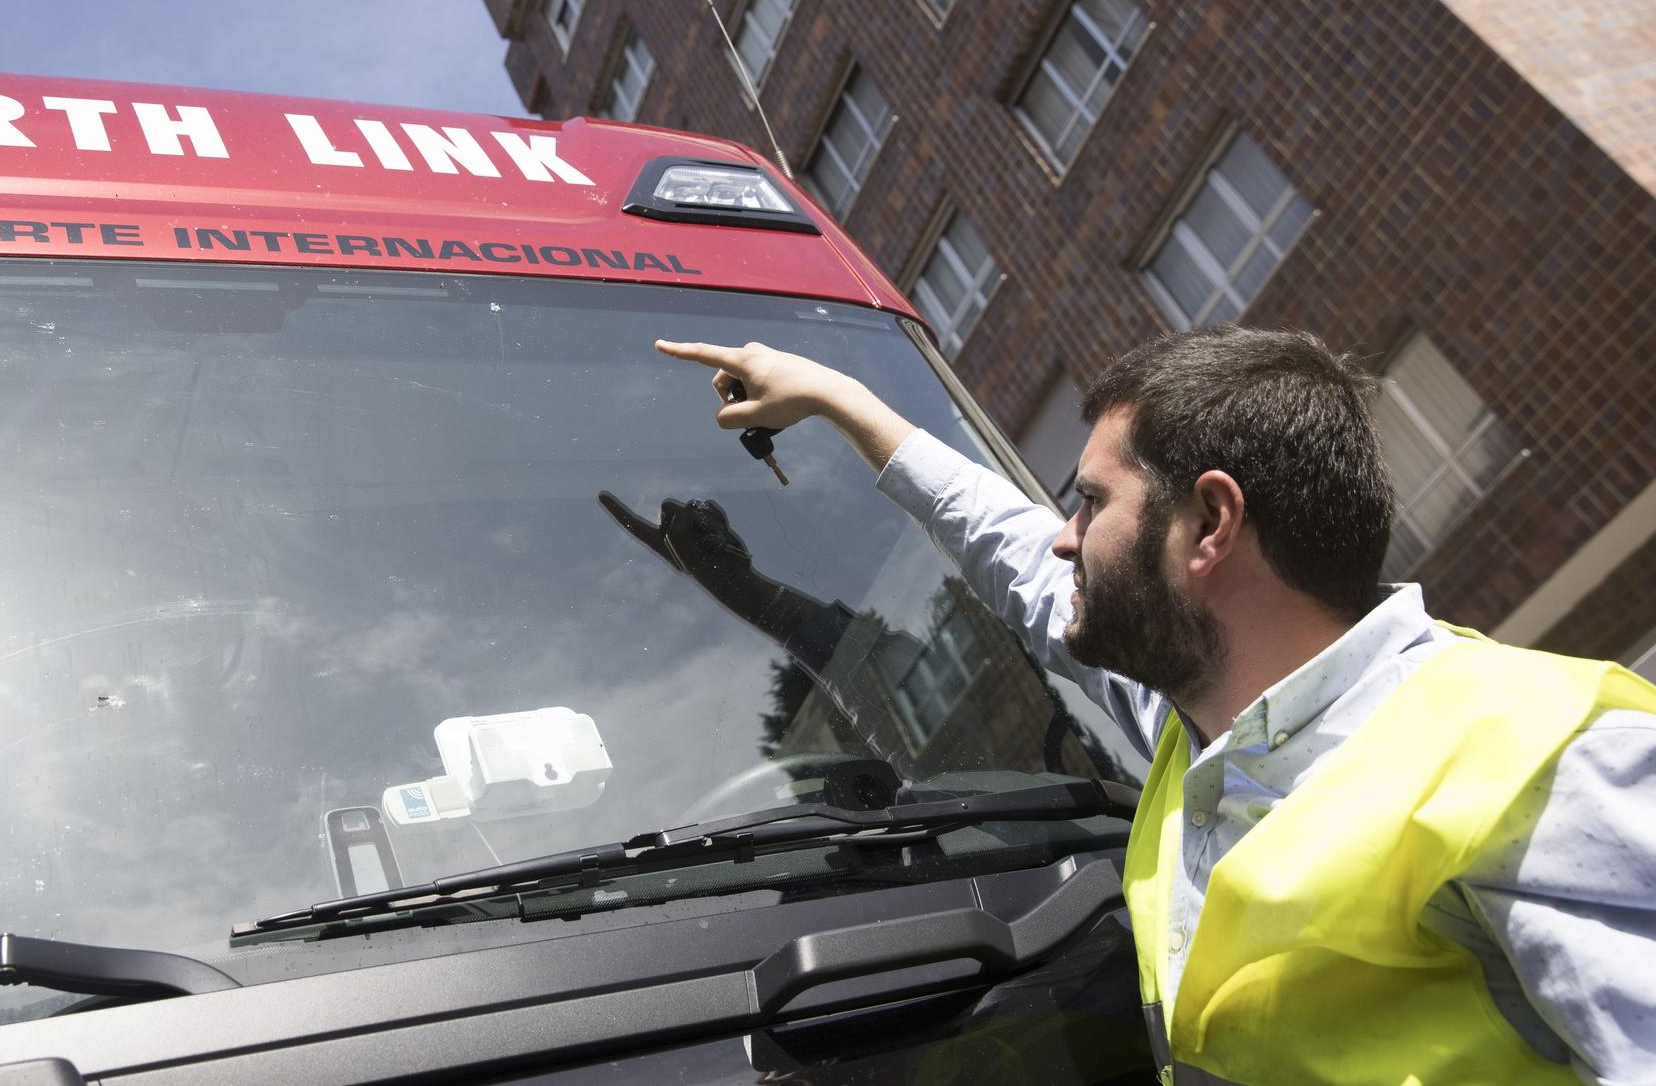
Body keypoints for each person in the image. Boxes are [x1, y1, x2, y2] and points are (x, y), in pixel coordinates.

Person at [655, 326, 1656, 1085]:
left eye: (1088, 503)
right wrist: (837, 399)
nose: (1062, 538)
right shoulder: (1194, 727)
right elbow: (1012, 553)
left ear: (1208, 524)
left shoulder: (1548, 761)